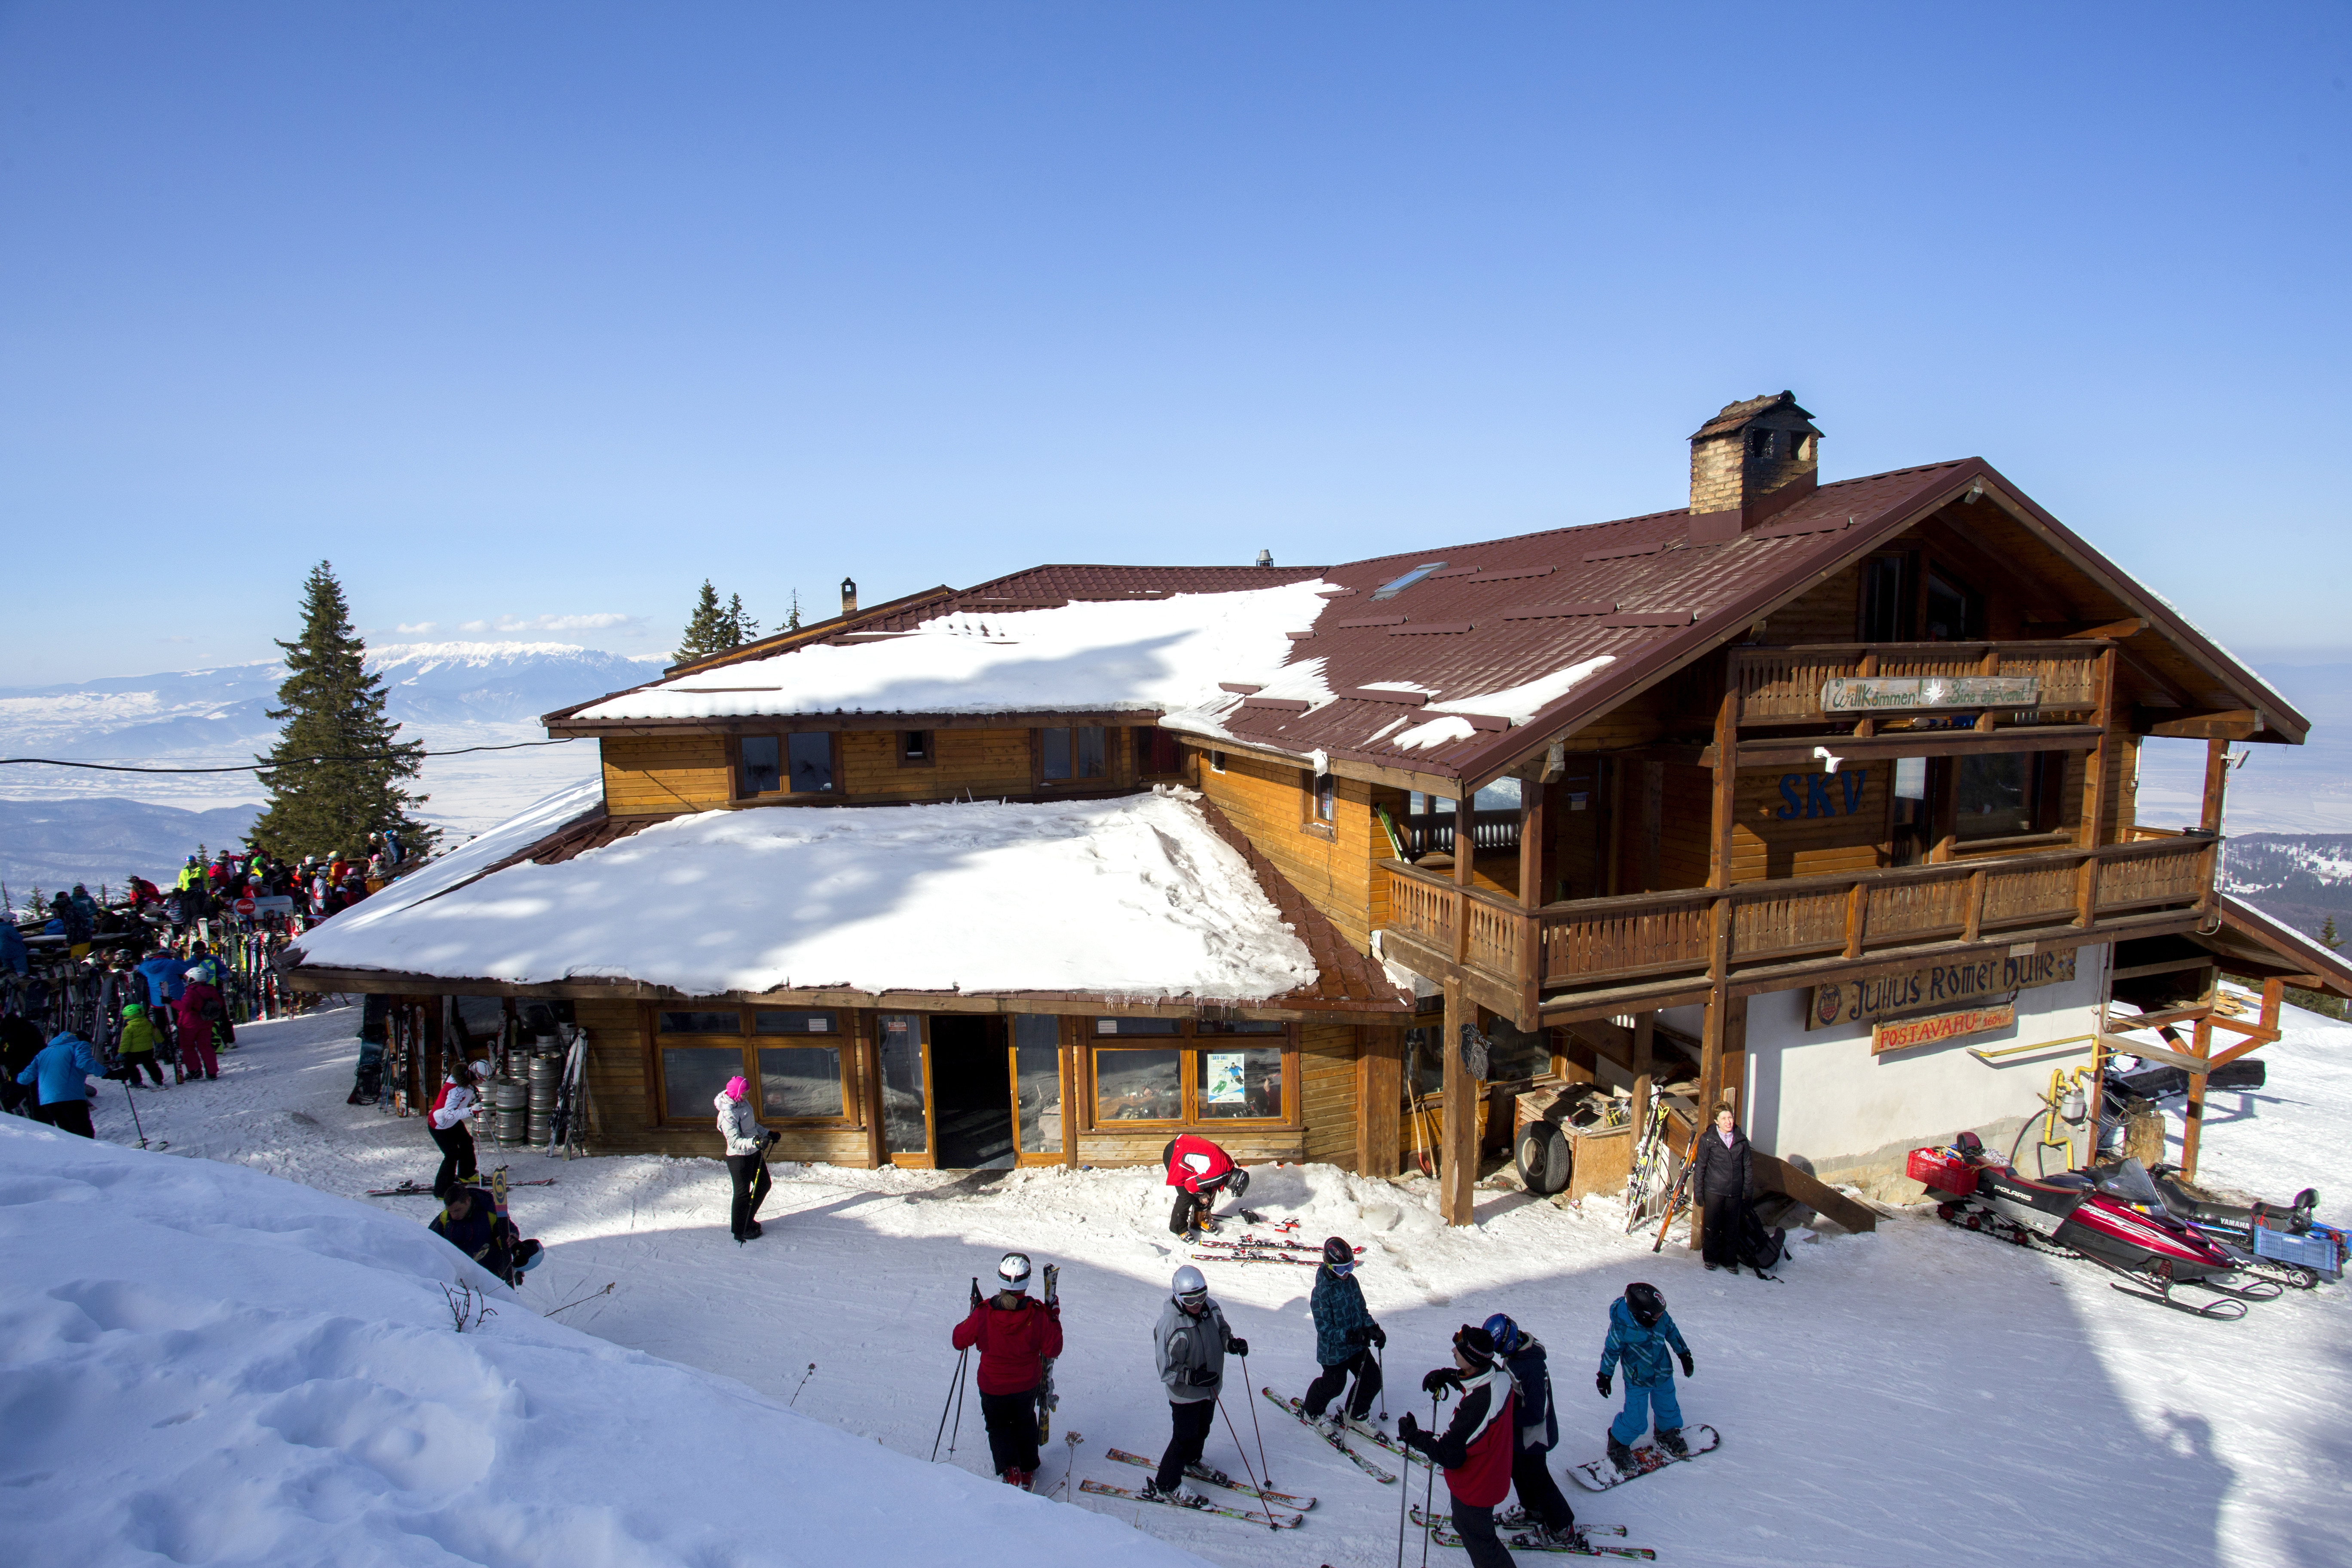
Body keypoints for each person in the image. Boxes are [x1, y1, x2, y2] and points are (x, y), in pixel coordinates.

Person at [1397, 1325, 1520, 1568]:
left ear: (1473, 1359)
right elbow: (1479, 1380)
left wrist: (1414, 1436)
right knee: (1467, 1526)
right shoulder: (1499, 1376)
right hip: (1492, 1472)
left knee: (1482, 1545)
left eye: (1460, 1350)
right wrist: (1448, 1376)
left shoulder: (1475, 1407)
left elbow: (1448, 1455)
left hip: (1477, 1486)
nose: (1454, 1351)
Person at [951, 1252, 1064, 1489]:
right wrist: (1053, 1317)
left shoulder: (984, 1313)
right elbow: (1053, 1348)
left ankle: (1010, 1470)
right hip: (1026, 1385)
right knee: (1024, 1420)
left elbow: (958, 1339)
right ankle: (1027, 1467)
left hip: (993, 1386)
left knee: (998, 1425)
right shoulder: (1037, 1315)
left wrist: (972, 1318)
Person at [1147, 1264, 1247, 1507]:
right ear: (1179, 1297)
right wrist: (1192, 1378)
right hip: (1185, 1393)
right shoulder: (1170, 1325)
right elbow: (1166, 1369)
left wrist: (1230, 1344)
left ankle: (1193, 1459)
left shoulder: (1210, 1308)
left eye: (1202, 1296)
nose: (1198, 1303)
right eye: (1191, 1299)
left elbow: (1221, 1331)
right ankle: (1167, 1484)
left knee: (1203, 1428)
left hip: (1210, 1386)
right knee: (1184, 1436)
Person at [1484, 1314, 1579, 1547]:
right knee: (1517, 1469)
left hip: (1535, 1436)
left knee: (1538, 1478)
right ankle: (1533, 1510)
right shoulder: (1518, 1355)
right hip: (1520, 1434)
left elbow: (1537, 1413)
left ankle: (1562, 1528)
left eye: (1499, 1350)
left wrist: (1506, 1417)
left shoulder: (1531, 1367)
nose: (1500, 1356)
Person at [1596, 1282, 1694, 1474]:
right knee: (1636, 1419)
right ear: (1643, 1315)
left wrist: (1684, 1354)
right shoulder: (1621, 1327)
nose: (1662, 1317)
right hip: (1637, 1378)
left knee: (1668, 1407)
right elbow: (1611, 1352)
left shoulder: (1660, 1317)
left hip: (1663, 1372)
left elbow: (1672, 1331)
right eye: (1657, 1315)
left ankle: (1666, 1434)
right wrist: (1605, 1375)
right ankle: (1618, 1444)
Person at [1303, 1234, 1384, 1438]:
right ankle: (1313, 1410)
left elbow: (1361, 1310)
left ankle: (1355, 1414)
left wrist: (1372, 1328)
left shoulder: (1351, 1282)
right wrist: (1348, 1336)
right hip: (1334, 1351)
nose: (1347, 1273)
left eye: (1351, 1267)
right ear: (1330, 1267)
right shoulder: (1321, 1292)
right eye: (1341, 1269)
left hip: (1357, 1344)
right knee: (1335, 1384)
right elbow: (1324, 1329)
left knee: (1373, 1378)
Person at [428, 1183, 544, 1286]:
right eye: (450, 1211)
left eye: (457, 1210)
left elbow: (509, 1230)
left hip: (491, 1277)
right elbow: (428, 1239)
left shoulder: (490, 1212)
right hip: (461, 1279)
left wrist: (513, 1242)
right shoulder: (445, 1218)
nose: (453, 1216)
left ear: (468, 1201)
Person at [1690, 1105, 1753, 1272]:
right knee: (1712, 1226)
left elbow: (1748, 1167)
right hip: (1714, 1191)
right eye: (1724, 1119)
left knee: (1732, 1228)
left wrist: (1748, 1191)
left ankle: (1729, 1260)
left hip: (1734, 1191)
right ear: (1717, 1121)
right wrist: (1699, 1190)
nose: (1728, 1122)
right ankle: (1711, 1258)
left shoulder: (1741, 1140)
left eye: (1730, 1118)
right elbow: (1701, 1167)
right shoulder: (1707, 1139)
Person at [16, 1029, 107, 1138]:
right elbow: (86, 1063)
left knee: (69, 1134)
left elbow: (24, 1079)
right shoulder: (79, 1045)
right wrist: (108, 1073)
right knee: (85, 1134)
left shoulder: (44, 1053)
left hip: (48, 1101)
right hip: (71, 1097)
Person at [717, 1075, 776, 1242]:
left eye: (748, 1093)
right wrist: (756, 1142)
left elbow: (752, 1126)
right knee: (742, 1194)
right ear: (735, 1093)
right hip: (738, 1158)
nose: (747, 1097)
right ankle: (739, 1230)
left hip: (753, 1153)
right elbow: (734, 1141)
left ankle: (748, 1219)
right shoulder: (727, 1114)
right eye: (744, 1094)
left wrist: (767, 1134)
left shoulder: (743, 1104)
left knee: (764, 1185)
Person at [1161, 1132, 1250, 1238]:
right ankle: (1178, 1229)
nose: (1229, 1189)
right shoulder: (1220, 1173)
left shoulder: (1228, 1165)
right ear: (1232, 1182)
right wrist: (1201, 1195)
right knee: (1186, 1197)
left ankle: (1198, 1220)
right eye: (1231, 1188)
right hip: (1175, 1154)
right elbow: (1190, 1185)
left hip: (1184, 1148)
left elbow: (1212, 1184)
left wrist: (1207, 1209)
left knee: (1206, 1187)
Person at [428, 1059, 486, 1198]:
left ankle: (466, 1174)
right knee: (452, 1155)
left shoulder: (463, 1083)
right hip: (440, 1124)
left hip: (452, 1122)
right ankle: (441, 1191)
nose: (482, 1082)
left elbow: (461, 1102)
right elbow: (448, 1113)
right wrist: (471, 1111)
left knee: (466, 1141)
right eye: (480, 1079)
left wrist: (473, 1101)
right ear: (470, 1076)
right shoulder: (457, 1090)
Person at [171, 962, 230, 1080]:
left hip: (189, 1023)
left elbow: (184, 1007)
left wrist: (170, 1001)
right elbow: (219, 1003)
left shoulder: (191, 991)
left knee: (188, 1047)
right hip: (207, 1021)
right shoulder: (211, 989)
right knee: (206, 1047)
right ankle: (212, 1072)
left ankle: (195, 1071)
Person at [1, 1002, 45, 1116]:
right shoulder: (16, 1027)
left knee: (14, 1100)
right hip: (33, 1072)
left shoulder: (14, 1030)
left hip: (28, 1074)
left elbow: (13, 1055)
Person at [114, 1003, 166, 1088]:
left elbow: (125, 1043)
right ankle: (158, 1080)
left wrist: (121, 1053)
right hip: (148, 1050)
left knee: (130, 1066)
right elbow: (157, 1034)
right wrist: (160, 1042)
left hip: (133, 1052)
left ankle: (137, 1082)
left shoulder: (129, 1028)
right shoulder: (149, 1024)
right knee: (151, 1065)